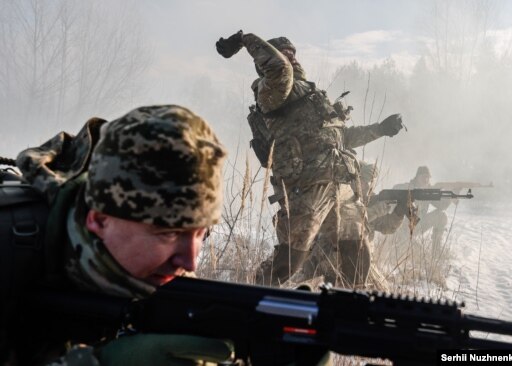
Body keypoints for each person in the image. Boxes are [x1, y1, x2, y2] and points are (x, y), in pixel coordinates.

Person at [1, 105, 239, 365]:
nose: (189, 261)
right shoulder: (9, 247)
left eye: (200, 233)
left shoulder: (160, 278)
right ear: (99, 219)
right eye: (168, 233)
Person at [215, 31, 404, 287]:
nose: (290, 58)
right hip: (308, 188)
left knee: (356, 257)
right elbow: (279, 67)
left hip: (339, 184)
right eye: (284, 53)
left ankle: (343, 311)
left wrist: (380, 129)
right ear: (264, 61)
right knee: (290, 261)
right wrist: (242, 39)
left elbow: (341, 137)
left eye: (293, 53)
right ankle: (252, 297)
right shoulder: (272, 90)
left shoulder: (311, 95)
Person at [287, 161, 414, 290]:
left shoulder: (371, 200)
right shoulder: (341, 195)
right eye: (364, 180)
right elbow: (349, 223)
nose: (368, 185)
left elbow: (388, 227)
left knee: (383, 291)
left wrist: (399, 212)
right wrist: (376, 211)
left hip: (361, 258)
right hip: (332, 254)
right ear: (355, 180)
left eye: (371, 181)